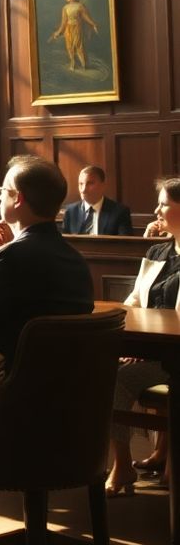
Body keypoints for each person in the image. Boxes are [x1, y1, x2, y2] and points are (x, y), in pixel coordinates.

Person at [0, 155, 92, 370]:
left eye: (2, 191)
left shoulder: (8, 258)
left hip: (7, 390)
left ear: (18, 199)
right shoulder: (77, 261)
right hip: (66, 390)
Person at [105, 177, 180, 497]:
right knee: (109, 374)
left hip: (174, 353)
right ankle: (122, 463)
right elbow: (135, 300)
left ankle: (165, 458)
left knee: (122, 378)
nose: (157, 209)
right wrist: (134, 341)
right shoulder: (157, 251)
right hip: (155, 352)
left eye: (164, 203)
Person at [61, 165, 134, 235]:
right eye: (81, 184)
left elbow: (125, 244)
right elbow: (64, 242)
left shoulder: (120, 212)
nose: (83, 190)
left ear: (103, 185)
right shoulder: (70, 211)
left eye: (89, 183)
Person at [47, 0, 100, 71]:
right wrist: (59, 32)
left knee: (79, 46)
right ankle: (73, 63)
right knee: (69, 47)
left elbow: (86, 17)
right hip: (68, 29)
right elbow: (64, 22)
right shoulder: (65, 8)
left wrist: (93, 24)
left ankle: (84, 64)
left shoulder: (80, 6)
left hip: (77, 28)